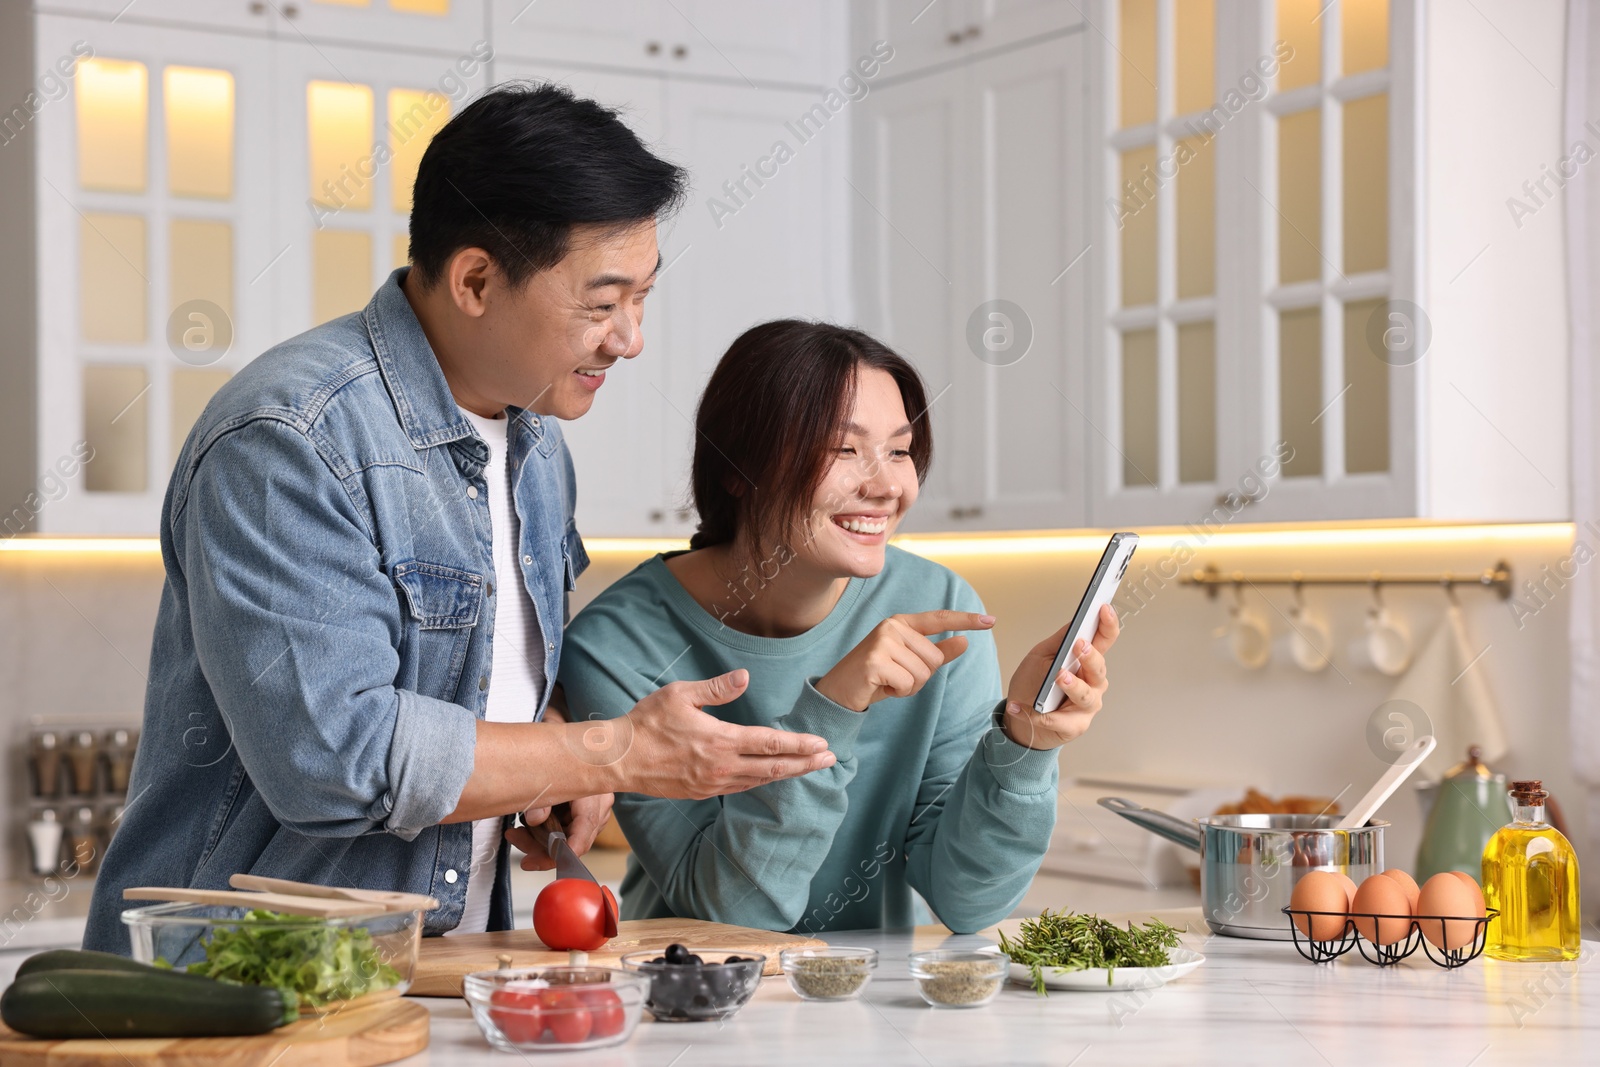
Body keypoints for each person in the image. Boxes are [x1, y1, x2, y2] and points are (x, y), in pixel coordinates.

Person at [82, 85, 836, 952]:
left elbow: (478, 682)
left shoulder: (537, 444)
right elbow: (335, 758)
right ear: (475, 279)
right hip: (240, 990)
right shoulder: (291, 436)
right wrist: (608, 750)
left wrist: (549, 745)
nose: (629, 338)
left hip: (432, 974)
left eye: (643, 298)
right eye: (602, 302)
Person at [556, 320, 1120, 935]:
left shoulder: (937, 605)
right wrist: (832, 708)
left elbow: (967, 902)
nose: (884, 486)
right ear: (737, 469)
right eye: (843, 450)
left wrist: (1024, 743)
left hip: (868, 1005)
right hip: (693, 1003)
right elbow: (732, 919)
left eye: (900, 451)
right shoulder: (617, 645)